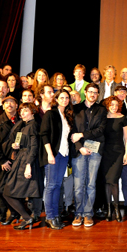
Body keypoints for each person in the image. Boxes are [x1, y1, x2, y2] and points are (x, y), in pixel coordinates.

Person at [70, 83, 107, 227]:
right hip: (79, 150)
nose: (92, 94)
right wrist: (80, 147)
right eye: (90, 91)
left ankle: (88, 214)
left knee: (91, 184)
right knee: (79, 185)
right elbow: (72, 131)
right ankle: (78, 213)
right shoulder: (75, 108)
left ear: (98, 95)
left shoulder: (102, 110)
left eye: (95, 92)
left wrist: (82, 134)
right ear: (85, 92)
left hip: (95, 150)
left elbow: (101, 130)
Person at [2, 102, 42, 230]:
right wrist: (17, 146)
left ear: (32, 112)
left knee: (8, 192)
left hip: (26, 161)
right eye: (21, 111)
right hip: (20, 159)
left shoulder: (33, 125)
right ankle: (26, 217)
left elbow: (34, 147)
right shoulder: (24, 125)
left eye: (25, 110)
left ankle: (27, 218)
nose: (22, 113)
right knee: (8, 192)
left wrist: (28, 165)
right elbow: (26, 143)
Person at [40, 90, 73, 229]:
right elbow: (44, 134)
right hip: (53, 154)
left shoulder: (67, 116)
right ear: (56, 99)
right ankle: (50, 216)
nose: (65, 100)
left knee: (57, 186)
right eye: (62, 97)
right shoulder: (50, 113)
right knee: (51, 186)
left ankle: (55, 215)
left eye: (67, 98)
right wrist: (49, 154)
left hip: (64, 155)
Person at [0, 96, 21, 224]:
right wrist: (2, 161)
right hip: (3, 160)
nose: (9, 105)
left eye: (12, 102)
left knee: (16, 187)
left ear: (17, 106)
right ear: (3, 106)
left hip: (18, 160)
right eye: (6, 103)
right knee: (0, 187)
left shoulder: (21, 119)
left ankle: (15, 213)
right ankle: (2, 212)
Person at [100, 96, 127, 222]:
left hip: (118, 152)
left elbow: (126, 137)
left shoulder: (122, 118)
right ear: (107, 105)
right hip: (105, 153)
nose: (114, 107)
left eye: (116, 105)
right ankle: (109, 209)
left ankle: (116, 209)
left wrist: (126, 154)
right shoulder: (103, 118)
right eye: (112, 104)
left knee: (114, 180)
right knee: (107, 181)